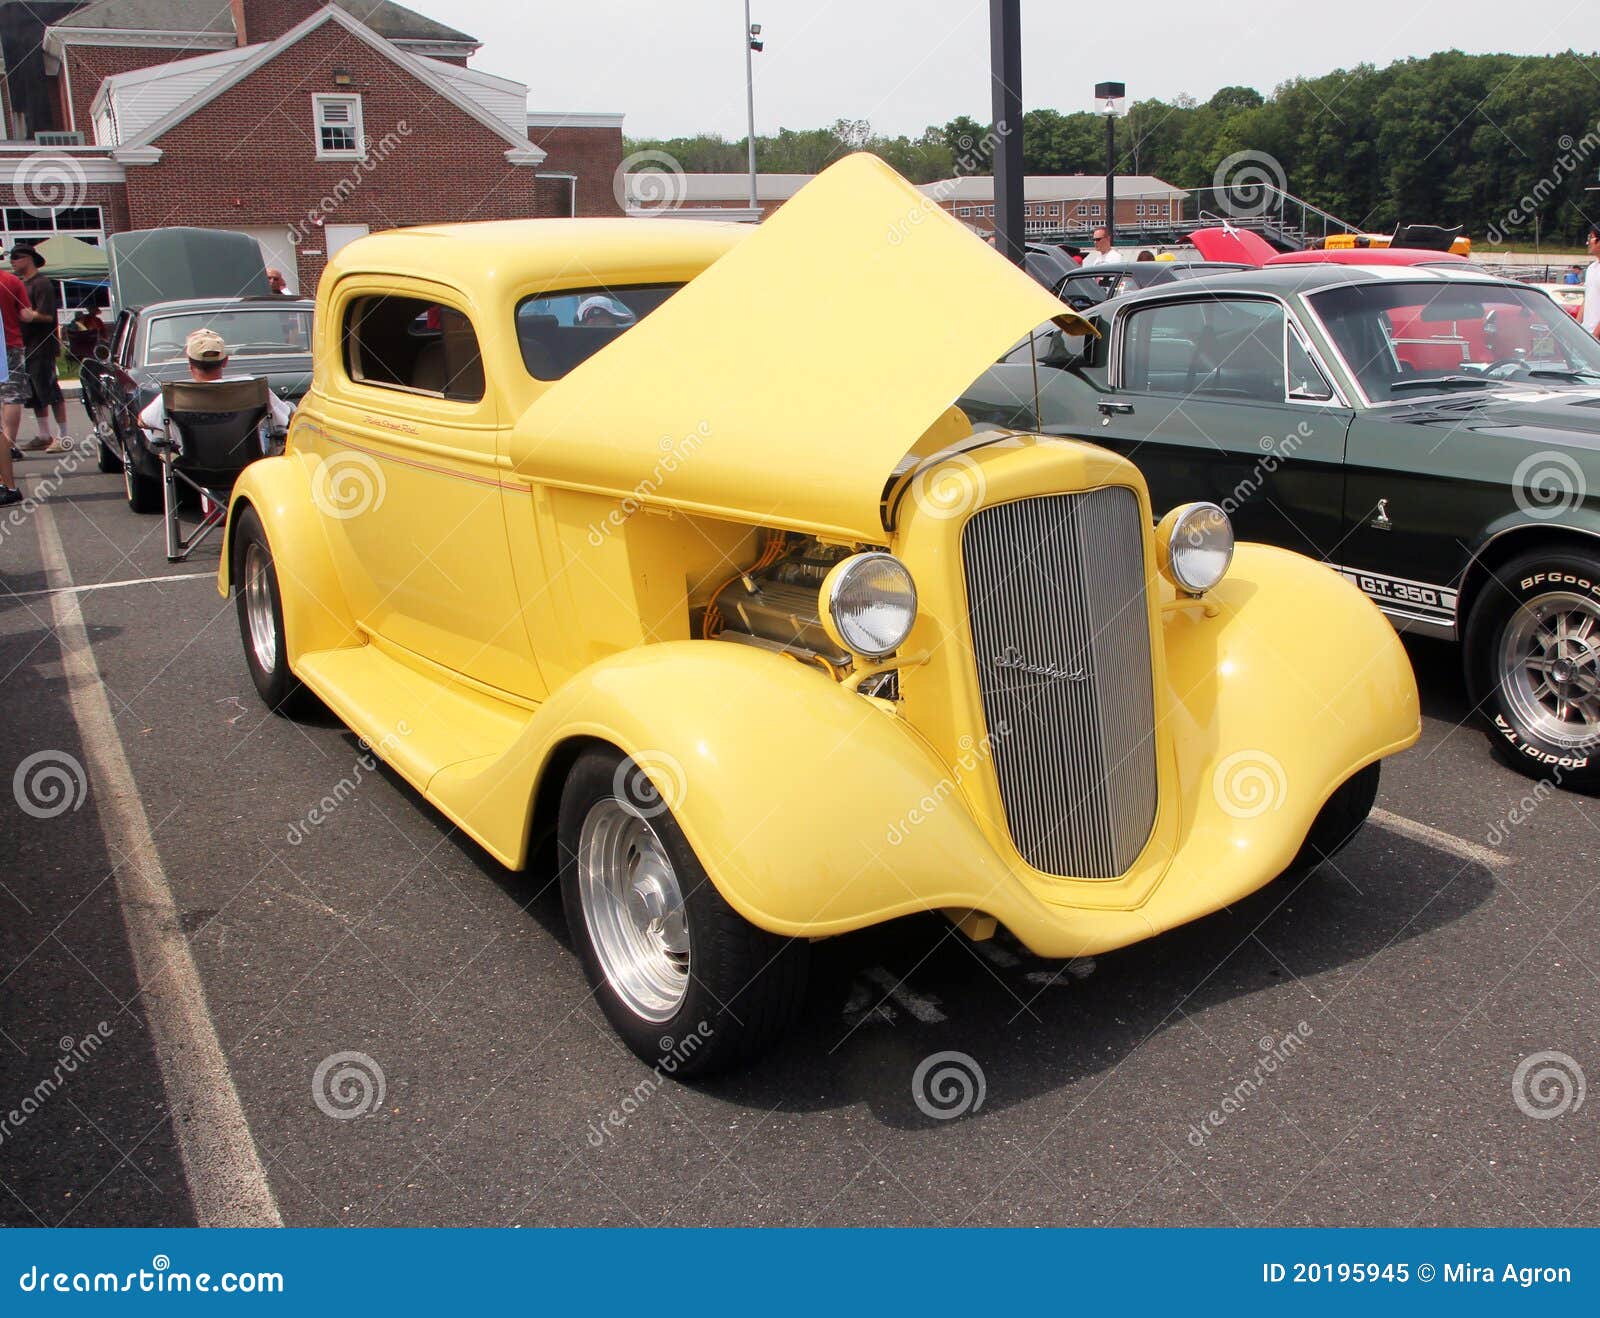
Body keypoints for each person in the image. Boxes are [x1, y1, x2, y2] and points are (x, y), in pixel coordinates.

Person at [137, 328, 293, 440]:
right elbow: (284, 419)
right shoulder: (252, 387)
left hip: (191, 468)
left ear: (190, 364)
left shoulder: (173, 394)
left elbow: (142, 421)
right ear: (225, 361)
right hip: (248, 465)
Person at [11, 244, 68, 455]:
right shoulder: (21, 284)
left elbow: (47, 315)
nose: (13, 261)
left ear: (29, 258)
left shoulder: (42, 283)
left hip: (42, 345)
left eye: (17, 257)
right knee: (34, 393)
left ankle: (64, 436)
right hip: (26, 345)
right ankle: (44, 435)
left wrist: (29, 315)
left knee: (50, 390)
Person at [0, 263, 31, 492]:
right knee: (12, 397)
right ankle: (10, 441)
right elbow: (25, 314)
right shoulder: (11, 281)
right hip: (11, 344)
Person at [1584, 228, 1600, 340]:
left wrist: (1595, 336)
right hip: (1586, 334)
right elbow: (1587, 298)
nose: (1588, 242)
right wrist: (1576, 326)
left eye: (1591, 238)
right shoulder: (1591, 268)